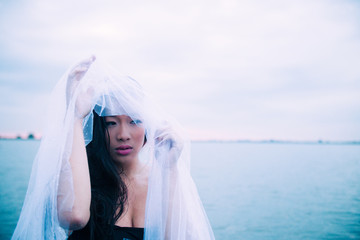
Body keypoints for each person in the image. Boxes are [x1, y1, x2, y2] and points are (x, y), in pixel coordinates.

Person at [12, 56, 215, 240]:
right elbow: (74, 217)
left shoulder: (162, 179)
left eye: (134, 121)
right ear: (99, 127)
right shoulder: (82, 175)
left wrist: (169, 167)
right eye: (111, 123)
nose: (123, 134)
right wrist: (76, 116)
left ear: (148, 125)